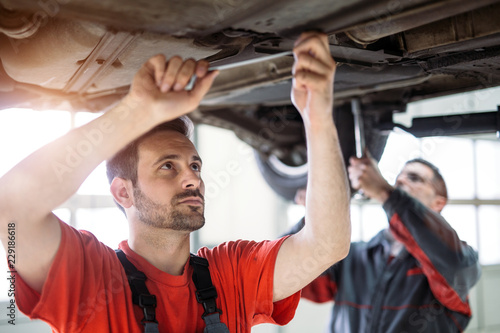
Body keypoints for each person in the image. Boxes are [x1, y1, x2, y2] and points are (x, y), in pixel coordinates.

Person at [0, 32, 351, 332]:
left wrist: (317, 116)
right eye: (168, 166)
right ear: (124, 192)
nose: (192, 178)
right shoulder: (91, 279)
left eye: (195, 165)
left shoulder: (231, 272)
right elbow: (13, 207)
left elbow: (326, 245)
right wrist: (135, 111)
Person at [287, 154, 481, 332]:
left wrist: (385, 192)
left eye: (414, 178)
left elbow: (454, 267)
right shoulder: (351, 255)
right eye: (399, 177)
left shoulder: (460, 259)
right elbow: (287, 276)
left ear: (438, 203)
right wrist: (314, 214)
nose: (400, 181)